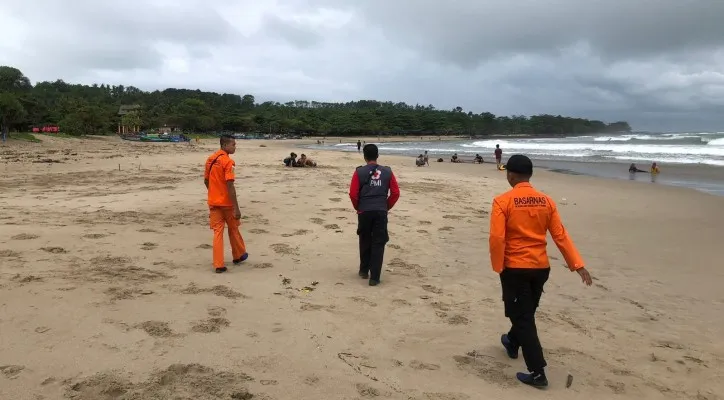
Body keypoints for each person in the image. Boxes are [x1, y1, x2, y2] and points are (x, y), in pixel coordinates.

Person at [488, 154, 592, 388]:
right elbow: (560, 235)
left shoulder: (502, 201)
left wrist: (498, 266)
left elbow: (497, 238)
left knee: (523, 317)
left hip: (516, 268)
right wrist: (578, 265)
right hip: (540, 267)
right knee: (525, 312)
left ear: (511, 175)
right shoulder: (547, 201)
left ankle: (537, 373)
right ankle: (512, 342)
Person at [348, 144, 400, 286]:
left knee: (364, 238)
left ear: (364, 156)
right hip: (380, 211)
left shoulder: (359, 172)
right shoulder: (388, 172)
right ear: (377, 156)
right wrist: (386, 206)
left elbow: (353, 194)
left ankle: (364, 270)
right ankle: (375, 277)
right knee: (378, 242)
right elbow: (395, 193)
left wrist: (358, 207)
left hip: (364, 210)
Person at [204, 134, 248, 273]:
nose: (235, 147)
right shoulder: (228, 162)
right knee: (234, 228)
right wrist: (236, 208)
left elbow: (206, 181)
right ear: (224, 145)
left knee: (218, 233)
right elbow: (230, 186)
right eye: (233, 144)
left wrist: (213, 193)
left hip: (214, 202)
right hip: (227, 203)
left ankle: (218, 264)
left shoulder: (210, 160)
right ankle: (238, 254)